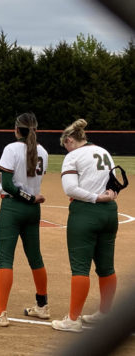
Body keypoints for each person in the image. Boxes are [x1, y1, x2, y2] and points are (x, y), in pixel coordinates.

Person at [0, 113, 49, 327]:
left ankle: (0, 313)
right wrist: (31, 197)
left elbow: (9, 185)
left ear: (16, 129)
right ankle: (42, 305)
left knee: (5, 259)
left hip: (13, 207)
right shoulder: (43, 151)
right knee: (35, 257)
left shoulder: (11, 149)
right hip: (32, 210)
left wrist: (26, 197)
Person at [52, 119, 118, 333]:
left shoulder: (73, 156)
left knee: (80, 268)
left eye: (65, 145)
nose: (66, 149)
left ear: (70, 140)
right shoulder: (104, 151)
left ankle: (72, 319)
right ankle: (106, 314)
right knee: (106, 267)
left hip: (86, 213)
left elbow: (70, 189)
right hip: (110, 213)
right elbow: (115, 184)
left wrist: (95, 197)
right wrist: (106, 197)